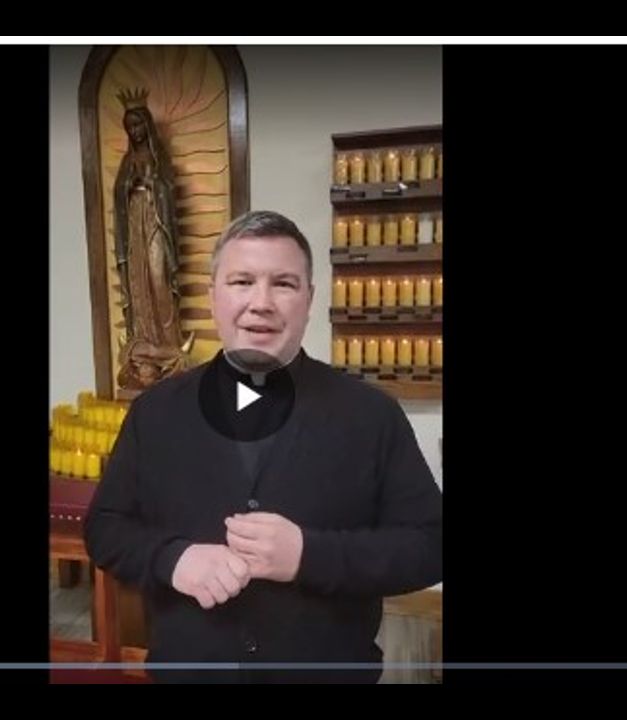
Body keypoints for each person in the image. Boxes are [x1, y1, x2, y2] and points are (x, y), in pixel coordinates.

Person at [85, 210, 443, 683]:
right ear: (213, 296)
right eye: (242, 281)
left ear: (309, 299)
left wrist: (309, 555)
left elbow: (430, 544)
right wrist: (173, 559)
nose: (261, 303)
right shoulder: (154, 413)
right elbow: (105, 528)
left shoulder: (372, 415)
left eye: (284, 284)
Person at [112, 88, 186, 389]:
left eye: (138, 124)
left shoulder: (159, 159)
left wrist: (153, 183)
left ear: (147, 124)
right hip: (135, 228)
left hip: (155, 223)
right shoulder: (126, 161)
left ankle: (167, 342)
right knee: (139, 283)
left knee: (158, 280)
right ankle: (143, 341)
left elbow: (167, 188)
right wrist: (129, 184)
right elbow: (118, 194)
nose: (135, 131)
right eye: (130, 127)